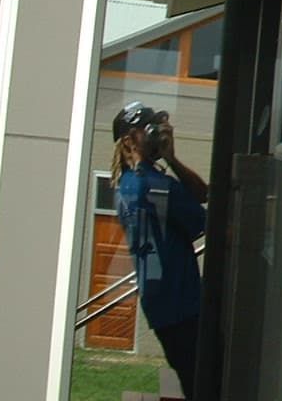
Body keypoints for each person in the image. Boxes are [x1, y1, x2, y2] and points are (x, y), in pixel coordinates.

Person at [110, 101, 208, 400]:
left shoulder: (126, 184)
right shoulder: (156, 186)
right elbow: (204, 219)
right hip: (182, 302)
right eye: (147, 128)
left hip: (161, 304)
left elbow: (199, 195)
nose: (156, 132)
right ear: (130, 140)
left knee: (191, 382)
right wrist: (171, 161)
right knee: (202, 384)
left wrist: (170, 158)